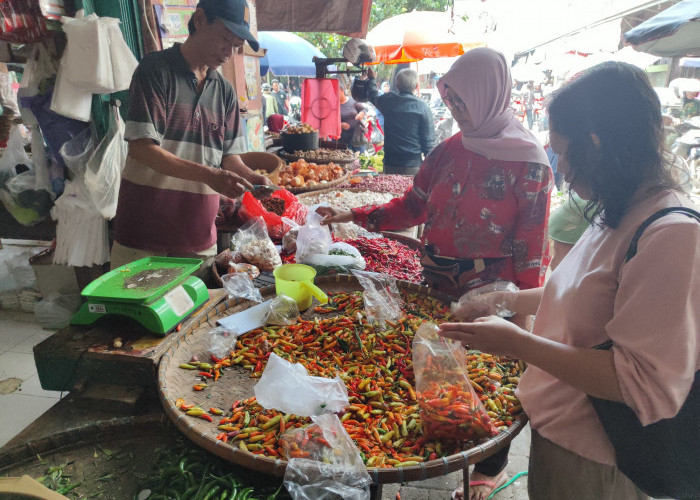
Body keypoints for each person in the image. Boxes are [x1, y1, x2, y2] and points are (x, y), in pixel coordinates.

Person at [439, 61, 700, 499]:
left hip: (598, 461)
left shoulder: (672, 234)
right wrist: (505, 300)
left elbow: (644, 383)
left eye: (562, 150)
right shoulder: (618, 206)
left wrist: (517, 343)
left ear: (596, 144)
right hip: (559, 435)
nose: (559, 165)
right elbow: (578, 293)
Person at [318, 47, 552, 500]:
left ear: (490, 96)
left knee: (489, 378)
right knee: (435, 369)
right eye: (451, 100)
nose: (456, 110)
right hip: (437, 281)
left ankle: (489, 465)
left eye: (463, 102)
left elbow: (531, 247)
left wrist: (522, 321)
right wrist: (352, 213)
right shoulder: (449, 149)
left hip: (490, 291)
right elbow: (413, 204)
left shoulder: (529, 161)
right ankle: (427, 445)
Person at [111, 0, 270, 277]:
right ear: (199, 20)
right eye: (225, 39)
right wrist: (210, 175)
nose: (229, 53)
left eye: (236, 45)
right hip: (143, 236)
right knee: (136, 316)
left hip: (197, 238)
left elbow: (228, 158)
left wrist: (251, 178)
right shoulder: (155, 71)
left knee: (194, 318)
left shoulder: (225, 92)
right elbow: (143, 149)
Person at [363, 67, 435, 175]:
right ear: (416, 86)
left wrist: (372, 78)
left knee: (390, 191)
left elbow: (373, 95)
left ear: (397, 86)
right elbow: (429, 144)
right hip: (413, 166)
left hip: (390, 164)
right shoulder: (423, 107)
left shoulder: (389, 101)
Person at [338, 80, 367, 153]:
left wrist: (361, 114)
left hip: (357, 137)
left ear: (341, 90)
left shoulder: (352, 101)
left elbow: (364, 109)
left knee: (360, 159)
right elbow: (329, 121)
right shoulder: (333, 106)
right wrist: (340, 125)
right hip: (341, 140)